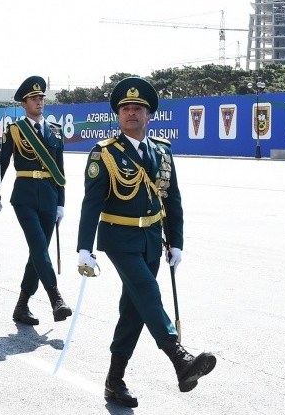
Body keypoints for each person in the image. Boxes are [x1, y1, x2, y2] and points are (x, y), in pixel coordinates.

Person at [76, 77, 216, 407]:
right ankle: (179, 357)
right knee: (148, 291)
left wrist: (176, 242)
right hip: (118, 238)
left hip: (153, 240)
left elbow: (172, 199)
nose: (131, 113)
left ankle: (114, 381)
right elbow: (91, 202)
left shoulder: (162, 151)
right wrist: (84, 248)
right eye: (125, 108)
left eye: (138, 108)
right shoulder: (104, 153)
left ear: (149, 115)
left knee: (134, 310)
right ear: (117, 115)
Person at [0, 76, 73, 327]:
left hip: (49, 196)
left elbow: (59, 169)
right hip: (24, 196)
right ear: (23, 103)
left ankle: (21, 305)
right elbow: (2, 163)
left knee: (38, 252)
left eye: (41, 98)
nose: (39, 102)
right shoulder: (15, 130)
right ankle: (55, 297)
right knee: (38, 245)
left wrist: (61, 202)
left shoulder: (55, 130)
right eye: (34, 99)